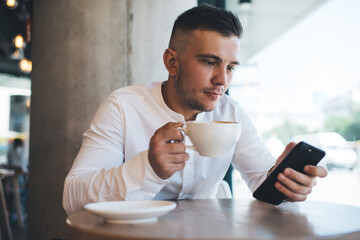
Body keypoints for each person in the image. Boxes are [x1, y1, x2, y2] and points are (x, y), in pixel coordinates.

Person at [62, 4, 327, 215]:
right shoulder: (123, 107)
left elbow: (261, 179)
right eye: (210, 62)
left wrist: (287, 184)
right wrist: (148, 168)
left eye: (231, 67)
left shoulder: (231, 113)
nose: (222, 80)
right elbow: (72, 198)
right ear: (172, 62)